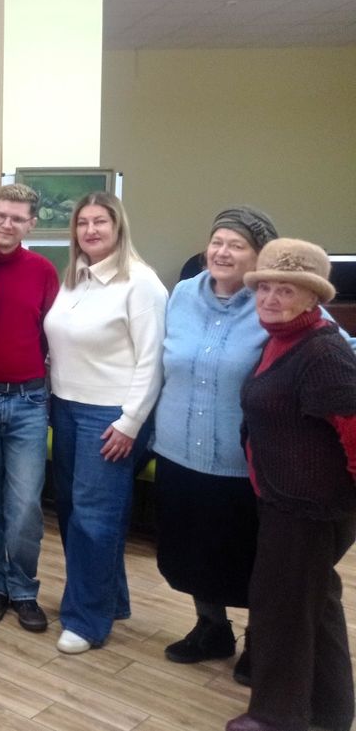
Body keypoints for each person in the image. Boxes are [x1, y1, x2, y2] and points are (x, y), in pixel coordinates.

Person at [226, 240, 356, 731]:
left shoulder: (322, 351)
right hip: (286, 498)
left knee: (281, 608)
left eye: (286, 290)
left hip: (310, 506)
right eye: (265, 288)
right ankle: (330, 709)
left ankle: (277, 716)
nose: (270, 298)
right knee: (315, 602)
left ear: (312, 297)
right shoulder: (282, 338)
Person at [152, 207, 279, 677]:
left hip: (241, 464)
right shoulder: (184, 293)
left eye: (236, 245)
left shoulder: (275, 298)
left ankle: (261, 640)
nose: (222, 252)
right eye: (217, 242)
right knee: (191, 553)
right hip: (177, 454)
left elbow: (335, 345)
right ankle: (212, 627)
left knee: (249, 559)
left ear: (259, 255)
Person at [43, 191, 167, 654]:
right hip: (66, 407)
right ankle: (109, 600)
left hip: (111, 414)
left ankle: (86, 620)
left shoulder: (142, 284)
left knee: (95, 518)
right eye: (83, 223)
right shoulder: (75, 278)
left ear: (118, 227)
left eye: (101, 222)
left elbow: (152, 361)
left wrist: (131, 422)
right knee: (74, 512)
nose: (90, 230)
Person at [0, 184, 59, 634]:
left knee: (24, 506)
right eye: (1, 215)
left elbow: (52, 337)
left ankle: (23, 589)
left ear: (31, 225)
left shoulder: (42, 271)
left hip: (28, 401)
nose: (7, 224)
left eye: (17, 219)